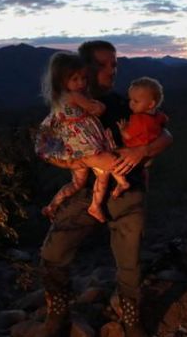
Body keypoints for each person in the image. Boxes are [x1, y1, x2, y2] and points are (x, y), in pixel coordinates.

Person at [36, 41, 173, 337]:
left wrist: (143, 151)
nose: (113, 71)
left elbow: (165, 132)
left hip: (127, 191)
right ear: (82, 70)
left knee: (130, 260)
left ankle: (131, 320)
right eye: (105, 65)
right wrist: (82, 160)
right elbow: (44, 147)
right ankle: (56, 324)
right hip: (87, 192)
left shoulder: (122, 103)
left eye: (115, 65)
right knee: (53, 255)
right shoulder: (67, 108)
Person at [35, 52, 129, 223]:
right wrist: (99, 105)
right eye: (75, 79)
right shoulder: (74, 96)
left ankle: (52, 205)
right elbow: (96, 110)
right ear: (62, 81)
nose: (81, 83)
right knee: (104, 170)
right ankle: (96, 204)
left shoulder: (60, 99)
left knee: (77, 184)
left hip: (74, 148)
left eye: (84, 78)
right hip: (86, 144)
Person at [116, 77, 169, 189]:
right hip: (148, 156)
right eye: (130, 99)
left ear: (150, 104)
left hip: (133, 151)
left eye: (135, 101)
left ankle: (120, 185)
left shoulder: (138, 119)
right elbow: (164, 122)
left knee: (116, 164)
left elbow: (128, 135)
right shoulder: (158, 116)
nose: (131, 104)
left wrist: (123, 129)